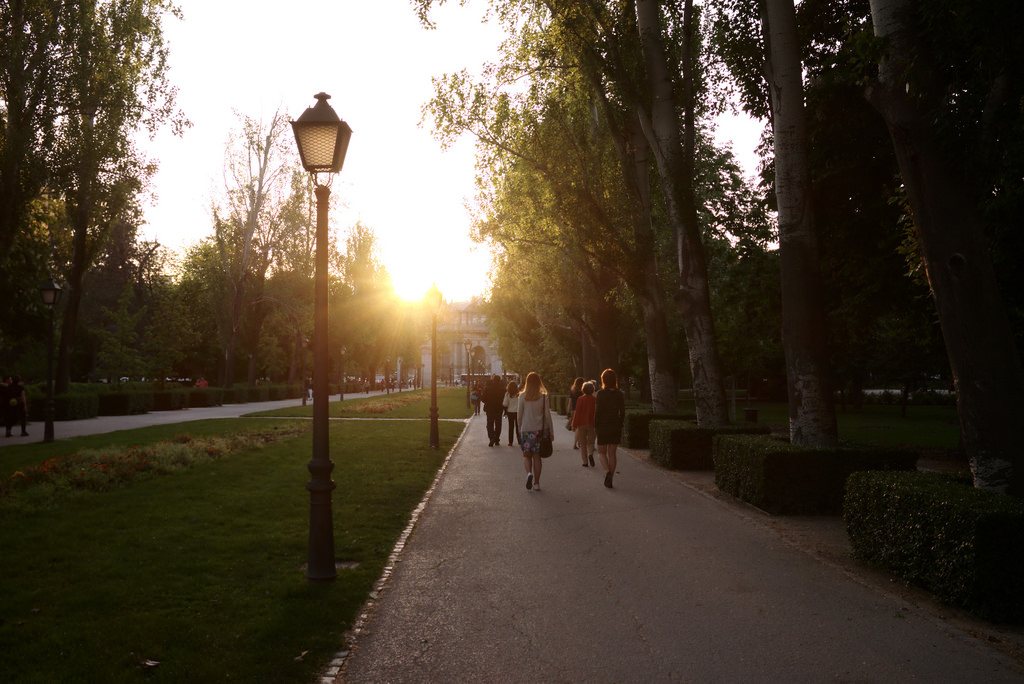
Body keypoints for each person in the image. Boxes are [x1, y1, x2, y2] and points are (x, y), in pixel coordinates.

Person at [517, 371, 553, 491]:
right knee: (537, 457)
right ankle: (536, 483)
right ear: (539, 383)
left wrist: (519, 429)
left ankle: (529, 474)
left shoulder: (522, 397)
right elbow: (547, 416)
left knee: (526, 456)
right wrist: (551, 432)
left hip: (526, 430)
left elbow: (519, 415)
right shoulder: (543, 397)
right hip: (540, 431)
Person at [594, 368, 625, 488]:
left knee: (601, 452)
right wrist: (620, 423)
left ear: (604, 380)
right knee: (612, 453)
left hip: (603, 425)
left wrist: (596, 425)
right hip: (615, 424)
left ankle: (607, 472)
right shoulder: (619, 394)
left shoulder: (600, 394)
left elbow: (598, 412)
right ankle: (611, 476)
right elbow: (622, 412)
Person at [571, 380, 597, 467]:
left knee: (583, 444)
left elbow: (577, 412)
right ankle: (590, 454)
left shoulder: (580, 399)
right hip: (592, 424)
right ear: (593, 390)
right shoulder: (594, 400)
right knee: (590, 442)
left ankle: (585, 462)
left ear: (583, 389)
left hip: (581, 424)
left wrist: (574, 424)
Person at [483, 374, 506, 446]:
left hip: (489, 409)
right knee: (498, 424)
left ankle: (491, 437)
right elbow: (505, 400)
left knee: (489, 424)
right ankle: (496, 439)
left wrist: (487, 402)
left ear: (493, 380)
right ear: (499, 381)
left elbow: (483, 398)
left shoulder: (488, 388)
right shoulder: (503, 389)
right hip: (499, 409)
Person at [502, 380, 521, 446]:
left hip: (510, 412)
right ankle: (519, 440)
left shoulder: (507, 394)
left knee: (511, 427)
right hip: (518, 412)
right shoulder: (519, 394)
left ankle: (510, 441)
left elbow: (505, 404)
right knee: (518, 426)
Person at [568, 377, 584, 449]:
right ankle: (577, 443)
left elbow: (570, 402)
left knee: (577, 427)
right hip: (580, 410)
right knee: (579, 427)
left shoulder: (572, 391)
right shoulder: (582, 392)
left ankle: (578, 442)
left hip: (573, 409)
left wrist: (568, 410)